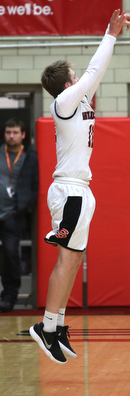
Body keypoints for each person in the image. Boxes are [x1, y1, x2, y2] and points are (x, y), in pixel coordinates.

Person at [29, 9, 130, 364]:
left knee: (75, 259)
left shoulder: (77, 100)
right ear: (67, 85)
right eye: (74, 77)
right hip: (69, 189)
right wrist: (110, 33)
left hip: (81, 190)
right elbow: (94, 71)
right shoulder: (63, 102)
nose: (81, 80)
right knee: (67, 258)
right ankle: (45, 327)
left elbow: (92, 75)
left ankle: (58, 323)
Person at [0, 118, 38, 312]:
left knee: (10, 255)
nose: (11, 136)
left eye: (15, 132)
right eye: (8, 132)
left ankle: (9, 297)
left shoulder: (30, 157)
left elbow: (35, 185)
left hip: (13, 216)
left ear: (23, 134)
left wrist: (25, 206)